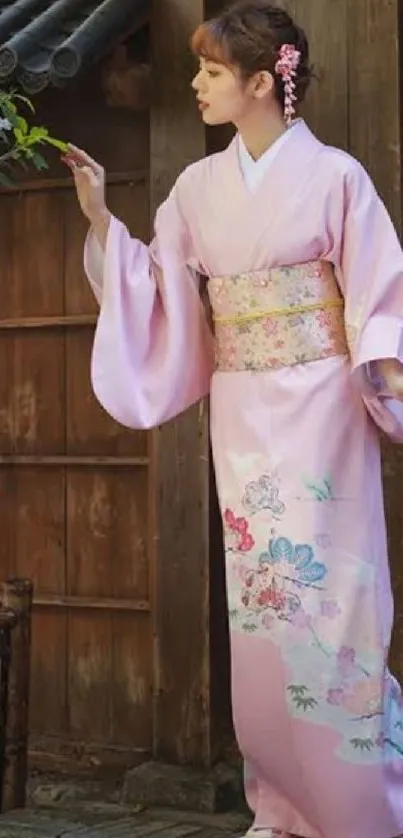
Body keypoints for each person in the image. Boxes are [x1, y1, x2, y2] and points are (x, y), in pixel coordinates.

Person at [63, 2, 403, 836]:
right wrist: (101, 219)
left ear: (262, 82)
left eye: (211, 71)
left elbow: (378, 294)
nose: (196, 84)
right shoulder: (196, 189)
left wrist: (385, 377)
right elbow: (159, 288)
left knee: (334, 603)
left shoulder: (335, 177)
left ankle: (361, 809)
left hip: (324, 406)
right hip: (244, 412)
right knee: (262, 612)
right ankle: (282, 806)